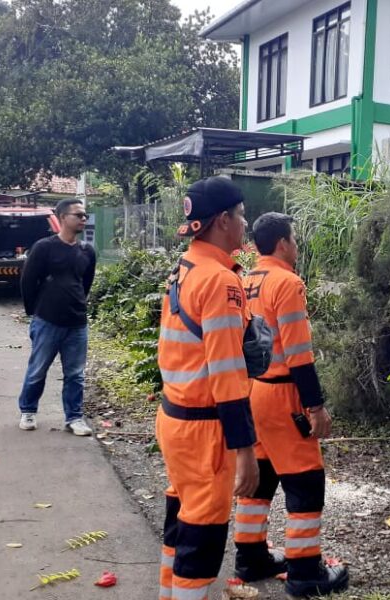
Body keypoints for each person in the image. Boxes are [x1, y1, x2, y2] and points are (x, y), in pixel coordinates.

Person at [232, 212, 349, 597]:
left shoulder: (245, 280)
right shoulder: (288, 282)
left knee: (261, 476)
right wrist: (315, 407)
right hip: (283, 395)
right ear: (283, 243)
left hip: (252, 392)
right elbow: (299, 353)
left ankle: (250, 558)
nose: (297, 247)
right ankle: (304, 571)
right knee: (305, 480)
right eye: (295, 240)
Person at [156, 177, 259, 600]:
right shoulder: (220, 281)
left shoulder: (185, 268)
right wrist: (246, 451)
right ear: (222, 220)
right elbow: (228, 371)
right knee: (203, 537)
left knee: (180, 522)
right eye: (240, 214)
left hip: (175, 419)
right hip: (205, 432)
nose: (245, 222)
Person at [16, 199, 96, 436]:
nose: (83, 219)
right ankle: (28, 411)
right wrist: (35, 312)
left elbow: (85, 283)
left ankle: (74, 418)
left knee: (75, 374)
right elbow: (28, 281)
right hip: (47, 321)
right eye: (78, 215)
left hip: (77, 324)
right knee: (38, 370)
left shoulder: (87, 251)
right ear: (62, 218)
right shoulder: (44, 248)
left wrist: (77, 302)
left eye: (85, 215)